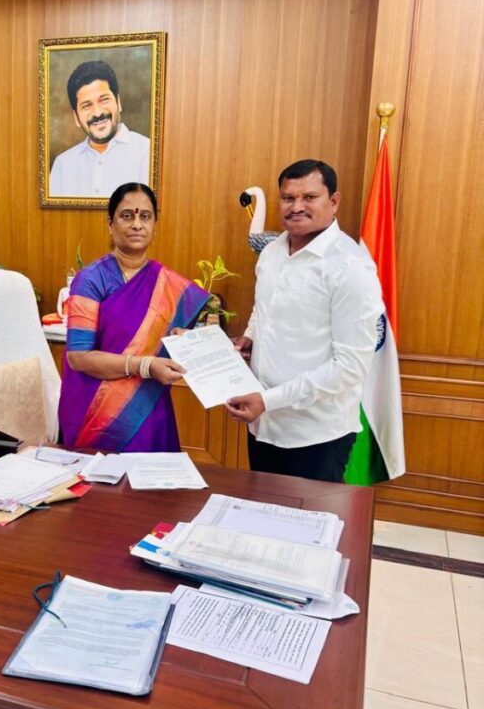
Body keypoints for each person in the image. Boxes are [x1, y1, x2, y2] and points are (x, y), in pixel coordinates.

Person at [226, 159, 383, 482]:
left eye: (309, 197)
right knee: (264, 509)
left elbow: (350, 366)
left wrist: (268, 401)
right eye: (288, 198)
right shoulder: (272, 252)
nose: (296, 207)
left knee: (310, 515)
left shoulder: (350, 267)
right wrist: (251, 335)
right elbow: (263, 305)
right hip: (263, 426)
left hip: (316, 435)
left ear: (333, 202)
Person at [58, 182, 210, 452]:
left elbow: (164, 343)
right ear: (110, 223)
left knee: (150, 478)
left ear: (154, 224)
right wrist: (145, 366)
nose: (137, 224)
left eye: (145, 216)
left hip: (146, 407)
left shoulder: (167, 283)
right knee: (101, 477)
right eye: (127, 216)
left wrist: (184, 341)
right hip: (95, 411)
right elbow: (78, 357)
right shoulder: (91, 280)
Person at [49, 61, 150, 198]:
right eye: (86, 105)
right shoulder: (63, 165)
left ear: (118, 102)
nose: (97, 113)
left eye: (104, 100)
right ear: (76, 117)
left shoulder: (148, 152)